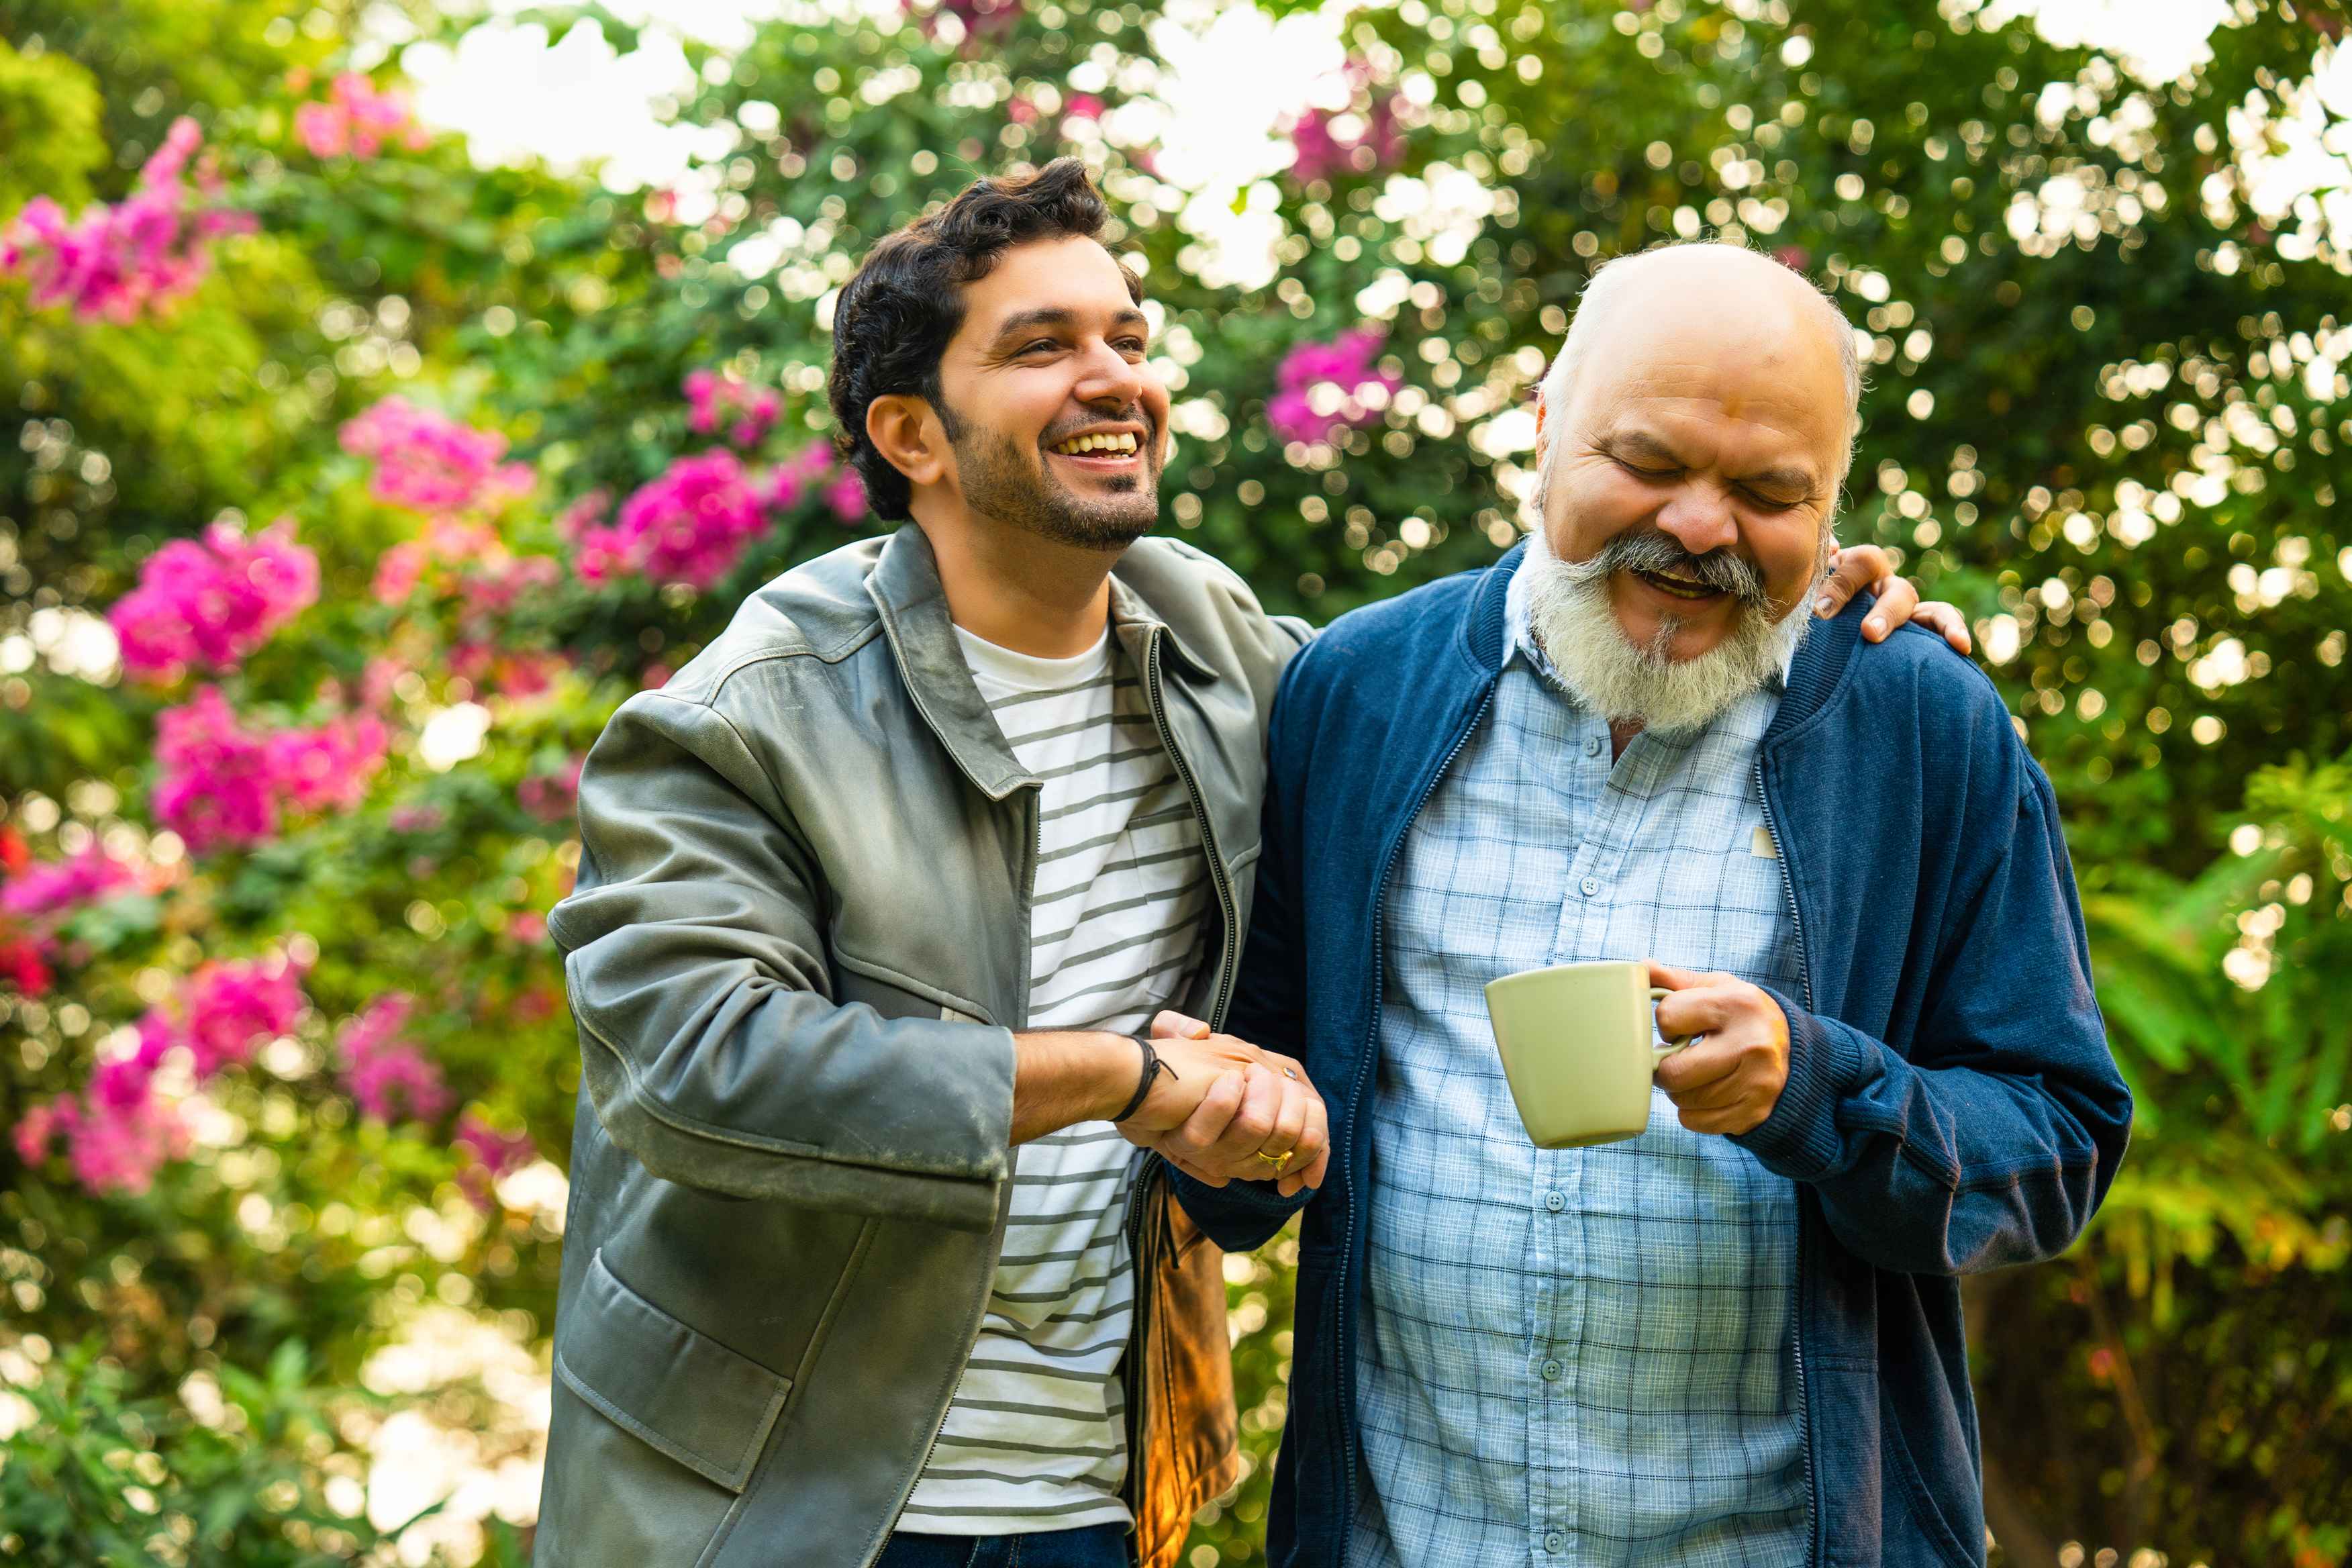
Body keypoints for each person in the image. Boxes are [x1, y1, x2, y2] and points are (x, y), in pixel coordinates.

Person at [533, 162, 1967, 1568]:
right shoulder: (740, 719)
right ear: (912, 433)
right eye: (1044, 348)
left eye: (1129, 339)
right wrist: (1120, 1077)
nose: (1116, 379)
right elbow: (700, 1073)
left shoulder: (1222, 653)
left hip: (1105, 1499)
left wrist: (1792, 587)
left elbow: (1515, 642)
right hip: (793, 1506)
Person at [1165, 242, 2134, 1568]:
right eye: (1653, 463)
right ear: (1548, 427)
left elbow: (2061, 1141)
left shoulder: (1917, 726)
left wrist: (1820, 1090)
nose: (1699, 526)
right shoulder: (1355, 692)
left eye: (1768, 492)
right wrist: (1225, 1131)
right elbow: (1255, 1112)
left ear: (1834, 508)